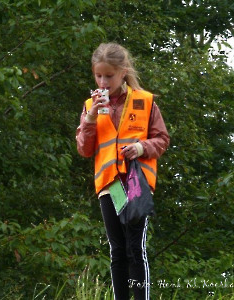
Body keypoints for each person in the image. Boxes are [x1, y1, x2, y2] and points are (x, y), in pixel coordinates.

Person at [76, 43, 169, 300]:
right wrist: (90, 119)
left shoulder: (145, 101)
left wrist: (141, 147)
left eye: (109, 75)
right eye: (99, 76)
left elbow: (162, 139)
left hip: (135, 181)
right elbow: (84, 150)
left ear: (123, 72)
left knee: (134, 247)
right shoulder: (90, 106)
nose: (103, 81)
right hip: (110, 185)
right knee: (117, 249)